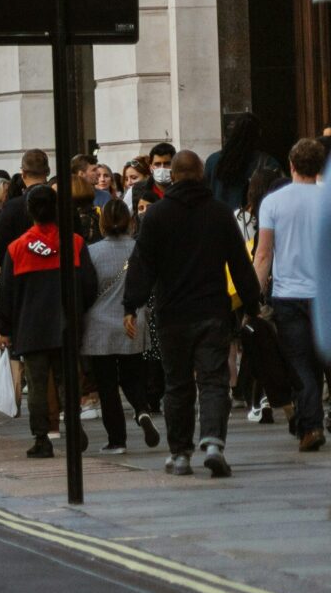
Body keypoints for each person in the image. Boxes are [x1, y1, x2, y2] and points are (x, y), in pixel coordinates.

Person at [125, 147, 263, 477]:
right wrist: (252, 303)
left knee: (178, 384)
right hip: (212, 311)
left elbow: (143, 265)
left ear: (171, 175)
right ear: (201, 174)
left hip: (172, 313)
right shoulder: (218, 213)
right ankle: (213, 442)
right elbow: (240, 265)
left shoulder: (156, 216)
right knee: (214, 380)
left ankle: (180, 453)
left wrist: (132, 304)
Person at [0, 183, 98, 459]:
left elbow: (6, 292)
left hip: (30, 328)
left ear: (30, 211)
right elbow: (90, 284)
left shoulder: (16, 248)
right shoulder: (75, 242)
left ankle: (42, 439)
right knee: (68, 381)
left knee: (38, 386)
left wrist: (5, 328)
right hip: (66, 323)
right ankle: (74, 427)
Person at [255, 136, 326, 452]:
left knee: (300, 363)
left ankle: (310, 426)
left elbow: (264, 255)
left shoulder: (273, 202)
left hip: (288, 294)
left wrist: (254, 294)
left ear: (292, 165)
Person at [83, 199, 161, 452]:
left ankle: (117, 439)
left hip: (98, 326)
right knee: (133, 376)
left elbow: (85, 289)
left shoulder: (92, 252)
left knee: (106, 386)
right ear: (129, 220)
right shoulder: (140, 248)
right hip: (132, 320)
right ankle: (142, 411)